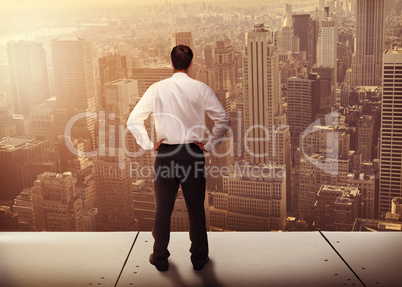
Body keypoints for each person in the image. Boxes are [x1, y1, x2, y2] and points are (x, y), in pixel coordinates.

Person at [127, 45, 230, 272]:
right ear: (191, 64)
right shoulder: (201, 88)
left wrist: (148, 144)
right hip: (193, 155)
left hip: (166, 155)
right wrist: (210, 145)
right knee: (196, 208)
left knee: (163, 208)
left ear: (171, 63)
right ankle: (199, 258)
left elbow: (133, 120)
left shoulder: (156, 89)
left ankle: (161, 258)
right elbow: (223, 119)